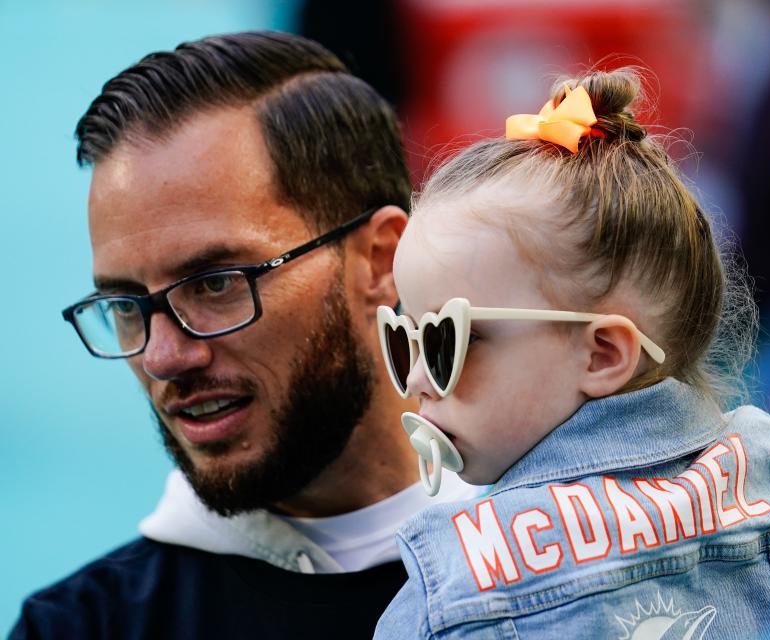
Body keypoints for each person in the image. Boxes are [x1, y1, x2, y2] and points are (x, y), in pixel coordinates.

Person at [372, 69, 770, 638]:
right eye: (405, 339)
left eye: (450, 339)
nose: (418, 378)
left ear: (602, 354)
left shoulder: (451, 586)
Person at [11, 31, 476, 639]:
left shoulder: (587, 570)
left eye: (215, 283)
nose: (164, 356)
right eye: (125, 305)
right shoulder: (81, 626)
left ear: (383, 260)